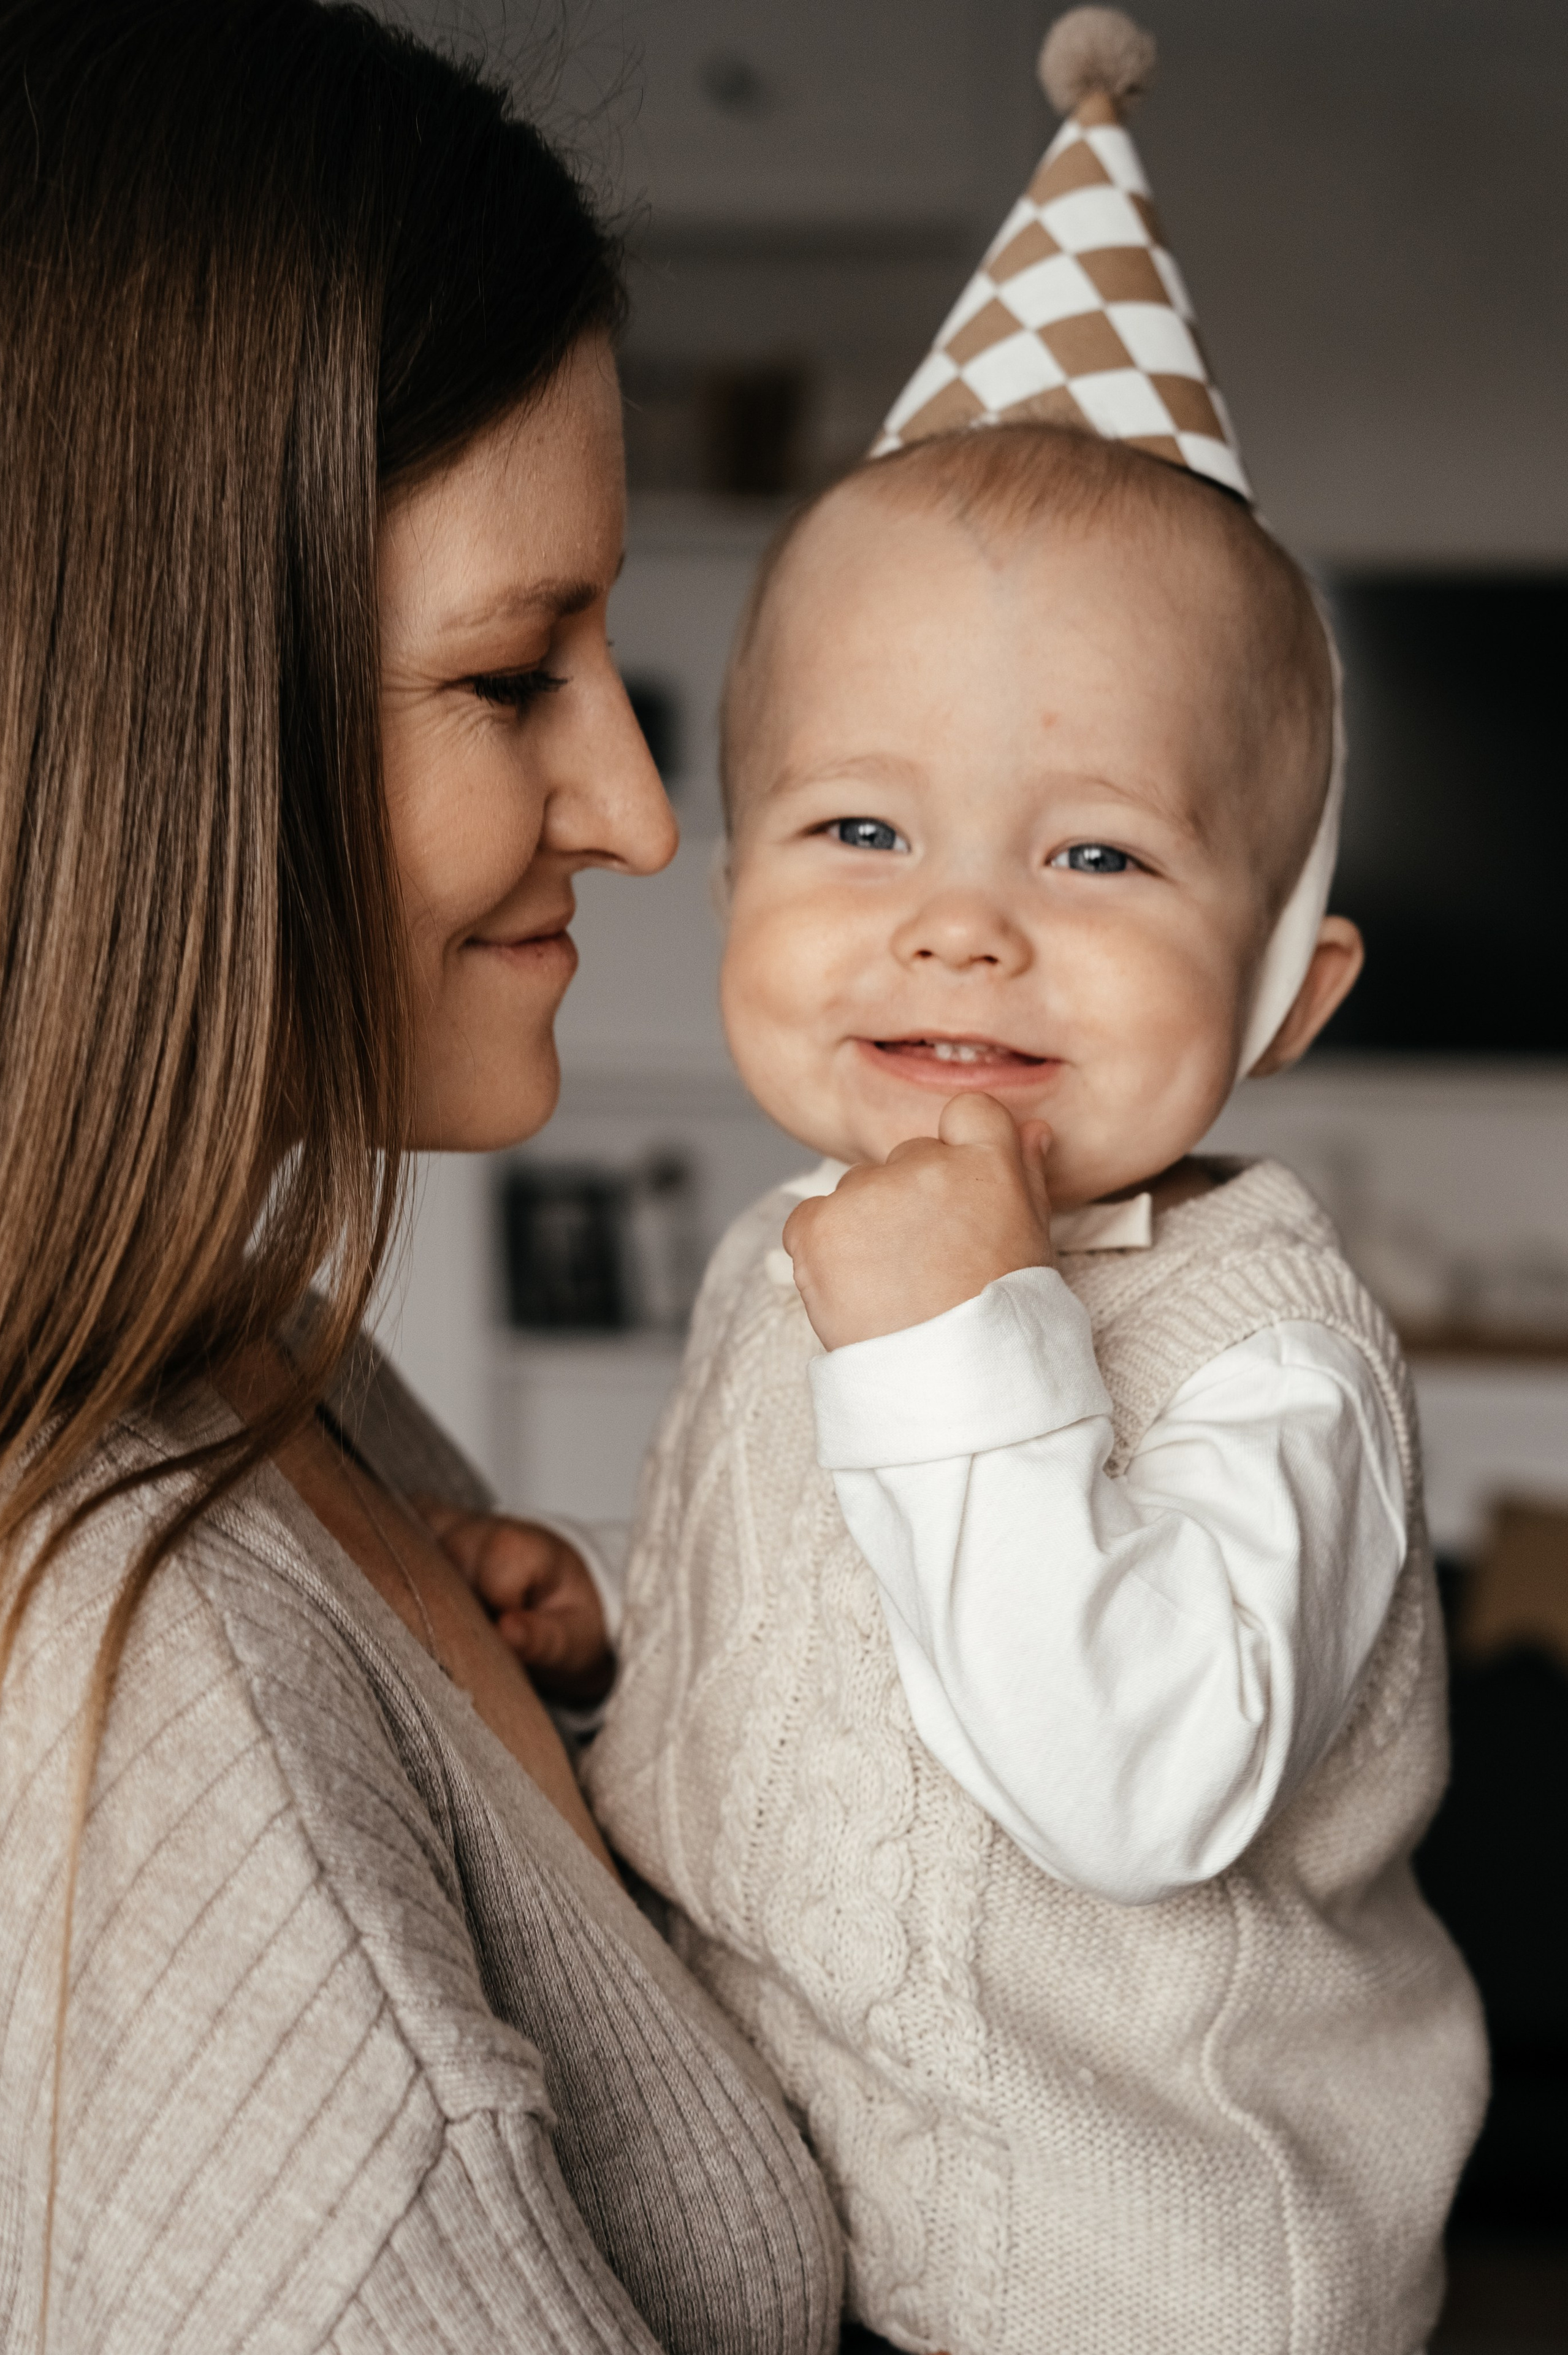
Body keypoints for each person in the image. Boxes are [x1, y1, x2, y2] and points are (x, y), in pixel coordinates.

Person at [461, 17, 1489, 2351]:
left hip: (1141, 2298)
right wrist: (622, 1611)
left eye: (1100, 852)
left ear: (1284, 997)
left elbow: (1136, 1776)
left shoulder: (1273, 1359)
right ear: (730, 878)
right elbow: (852, 1628)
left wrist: (955, 1339)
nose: (960, 921)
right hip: (824, 2234)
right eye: (858, 828)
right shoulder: (789, 1253)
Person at [0, 4, 843, 2348]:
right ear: (162, 706)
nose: (646, 814)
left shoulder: (277, 1367)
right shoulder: (142, 1673)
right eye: (512, 677)